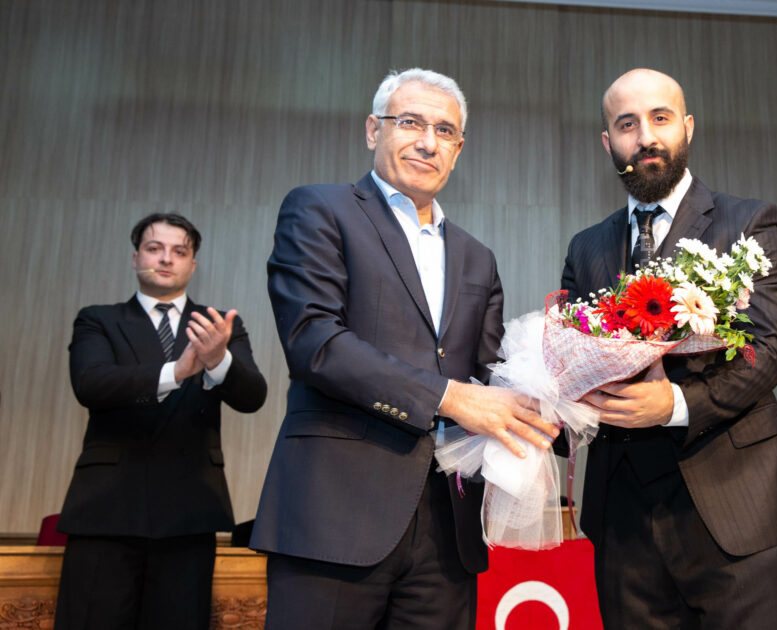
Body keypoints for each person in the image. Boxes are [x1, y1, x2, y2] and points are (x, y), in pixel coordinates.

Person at [249, 68, 559, 630]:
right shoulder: (320, 210)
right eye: (410, 122)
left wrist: (556, 391)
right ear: (374, 130)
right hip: (334, 513)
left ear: (458, 150)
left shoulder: (477, 257)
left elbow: (487, 378)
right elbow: (313, 342)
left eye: (445, 131)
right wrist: (447, 398)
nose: (427, 141)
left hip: (448, 527)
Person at [561, 68, 777, 629]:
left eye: (660, 118)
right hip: (623, 514)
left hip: (736, 506)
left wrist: (672, 405)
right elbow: (574, 363)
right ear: (609, 143)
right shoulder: (587, 248)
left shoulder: (748, 221)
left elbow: (766, 351)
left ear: (687, 128)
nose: (645, 137)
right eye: (626, 125)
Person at [55, 213, 268, 629]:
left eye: (179, 251)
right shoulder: (99, 319)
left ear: (193, 265)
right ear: (136, 259)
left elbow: (253, 396)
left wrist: (219, 360)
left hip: (189, 510)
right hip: (106, 509)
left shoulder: (218, 325)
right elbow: (91, 384)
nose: (166, 259)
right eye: (155, 249)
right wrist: (178, 371)